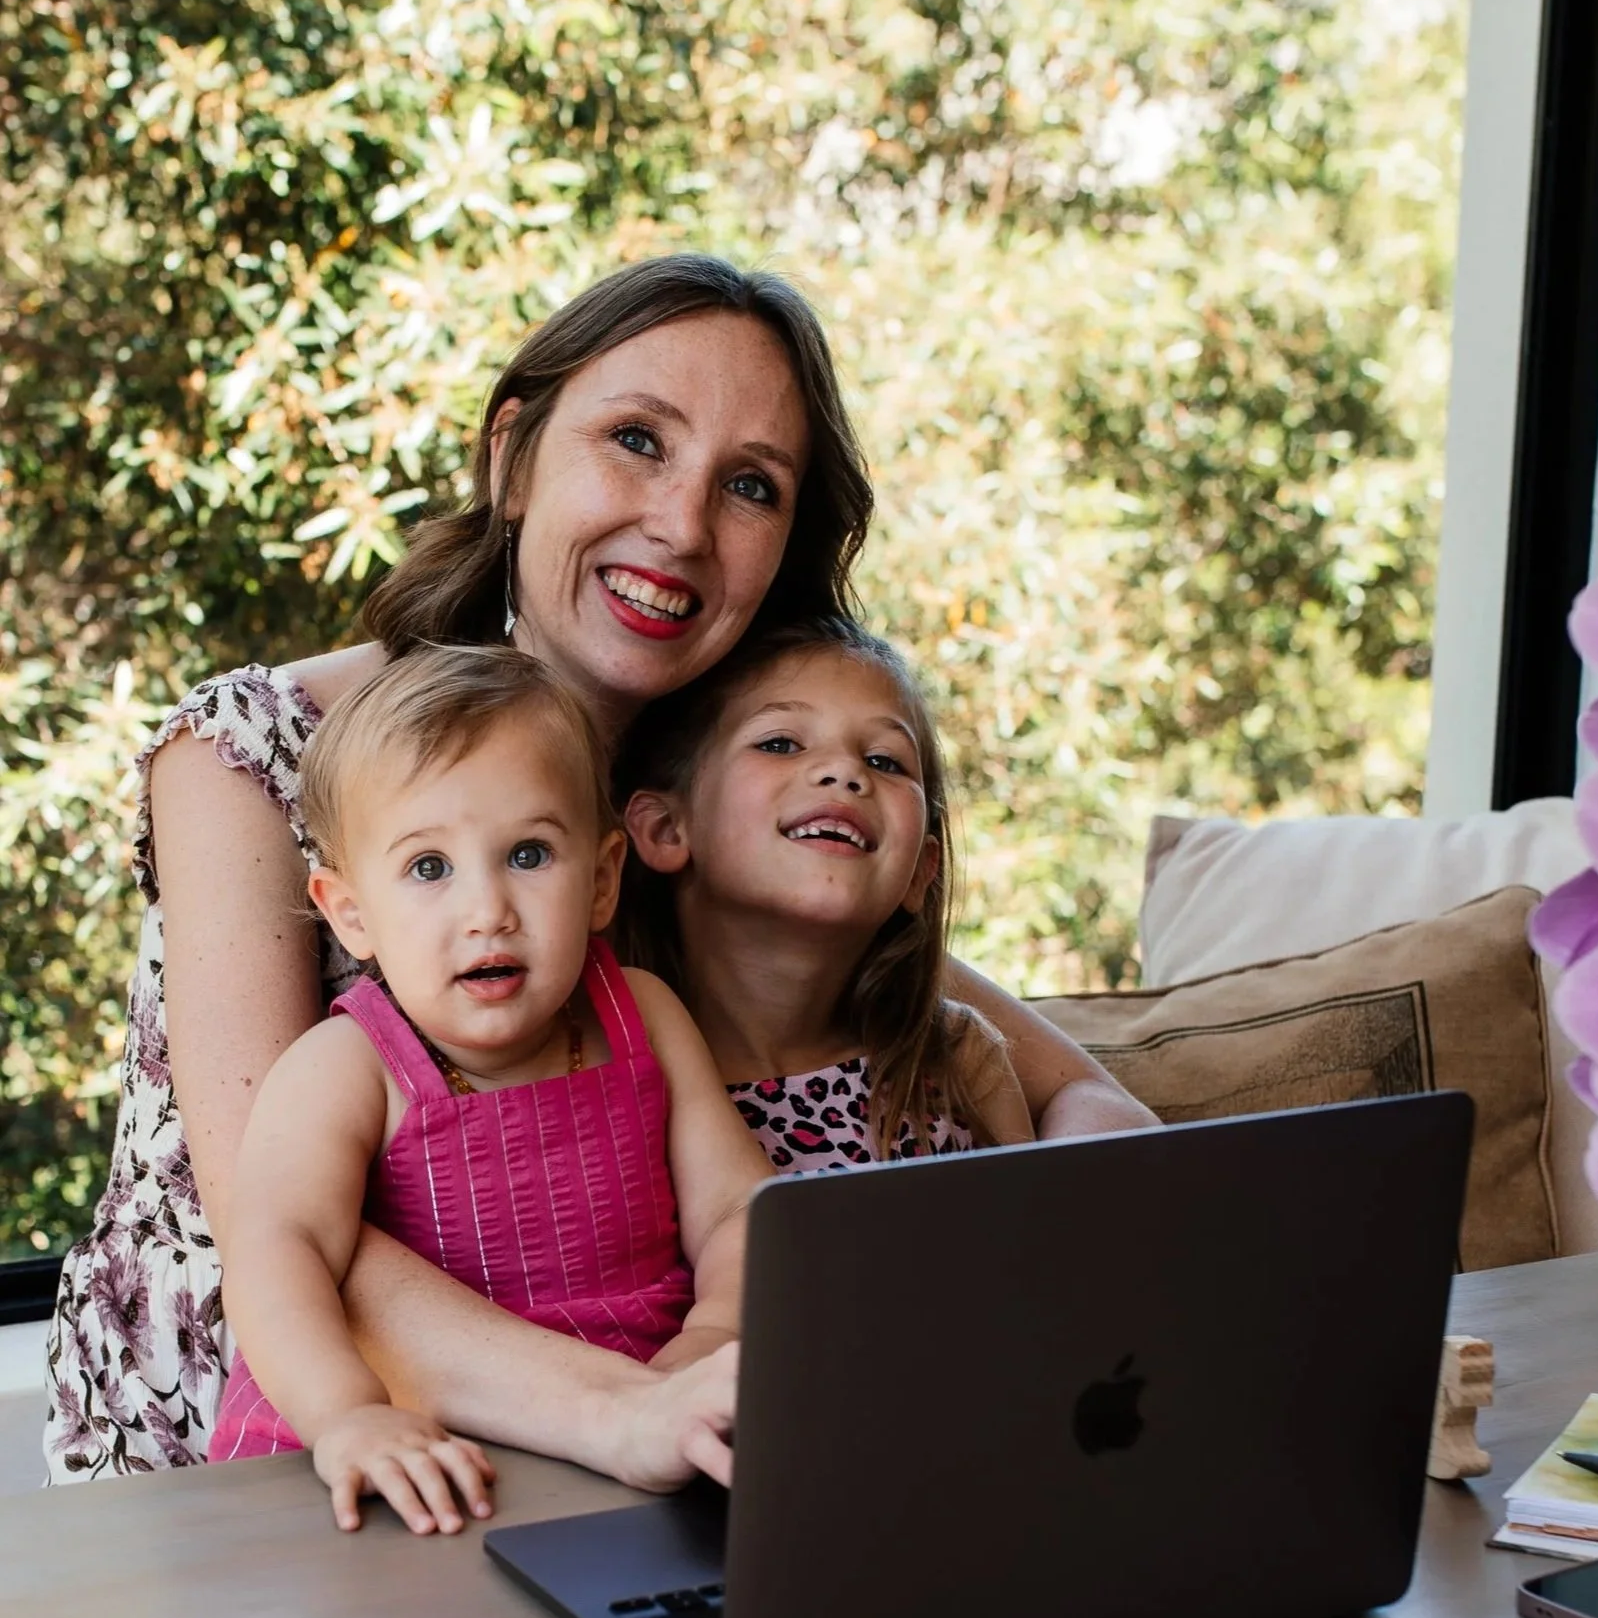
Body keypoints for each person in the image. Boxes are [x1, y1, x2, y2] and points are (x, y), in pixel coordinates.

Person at [46, 252, 1150, 1485]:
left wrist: (1104, 1204)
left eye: (748, 486)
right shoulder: (251, 755)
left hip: (622, 1423)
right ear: (514, 454)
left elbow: (1072, 1089)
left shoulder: (693, 806)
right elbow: (284, 1222)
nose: (681, 526)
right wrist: (637, 1413)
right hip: (271, 1446)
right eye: (636, 439)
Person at [209, 646, 768, 1535]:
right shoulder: (345, 1068)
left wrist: (715, 1333)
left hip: (638, 1421)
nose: (488, 909)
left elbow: (738, 1209)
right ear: (350, 912)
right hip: (413, 1452)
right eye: (429, 868)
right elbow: (276, 1251)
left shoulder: (646, 1018)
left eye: (529, 854)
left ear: (600, 877)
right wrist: (348, 1413)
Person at [622, 615, 1038, 1168]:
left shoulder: (961, 1059)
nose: (844, 771)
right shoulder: (619, 1077)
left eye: (884, 761)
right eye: (779, 743)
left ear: (921, 872)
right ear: (666, 830)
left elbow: (1037, 1248)